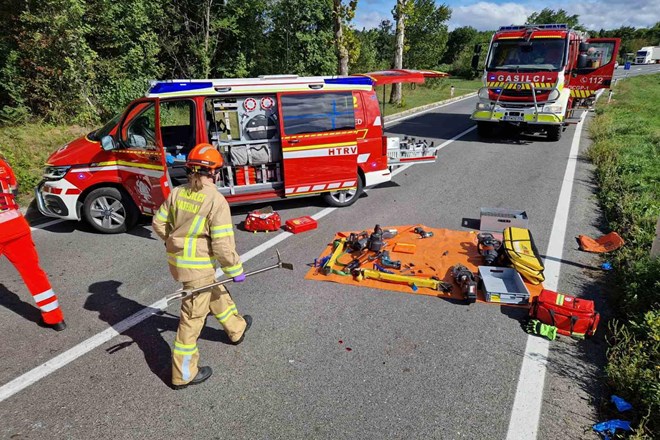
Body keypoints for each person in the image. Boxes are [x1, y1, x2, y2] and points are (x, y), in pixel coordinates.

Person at [152, 143, 251, 389]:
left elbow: (158, 223)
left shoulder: (178, 192)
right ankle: (183, 374)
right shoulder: (216, 201)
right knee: (192, 319)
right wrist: (235, 270)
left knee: (215, 292)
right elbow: (222, 246)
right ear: (214, 172)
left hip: (183, 264)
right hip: (198, 267)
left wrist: (171, 241)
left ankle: (236, 328)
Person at [0, 154, 66, 331]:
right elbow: (14, 189)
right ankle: (55, 318)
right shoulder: (2, 163)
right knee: (33, 273)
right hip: (15, 224)